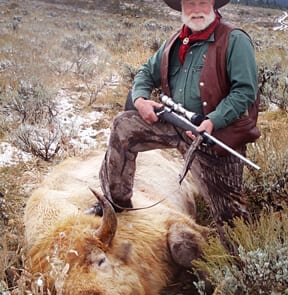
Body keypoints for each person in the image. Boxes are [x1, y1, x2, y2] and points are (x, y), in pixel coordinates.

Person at [98, 0, 260, 248]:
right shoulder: (175, 41)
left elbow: (244, 93)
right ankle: (116, 205)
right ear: (182, 8)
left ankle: (246, 269)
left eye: (202, 2)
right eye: (190, 3)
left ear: (214, 5)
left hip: (214, 137)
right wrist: (140, 99)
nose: (196, 9)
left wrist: (213, 121)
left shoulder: (235, 40)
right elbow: (145, 72)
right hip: (175, 124)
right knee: (123, 126)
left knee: (231, 216)